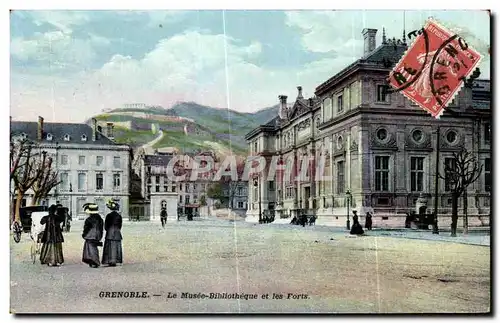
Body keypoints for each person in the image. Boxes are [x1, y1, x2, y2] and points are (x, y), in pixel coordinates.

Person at [82, 203, 104, 268]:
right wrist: (100, 235)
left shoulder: (89, 219)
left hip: (90, 235)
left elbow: (86, 228)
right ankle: (95, 261)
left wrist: (84, 234)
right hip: (97, 234)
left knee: (90, 248)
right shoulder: (100, 219)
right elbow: (101, 228)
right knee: (94, 248)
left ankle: (93, 261)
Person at [102, 199, 123, 267]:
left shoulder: (108, 215)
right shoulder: (119, 216)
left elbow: (106, 226)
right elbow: (120, 225)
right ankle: (116, 260)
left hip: (110, 232)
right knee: (116, 246)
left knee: (109, 247)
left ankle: (109, 260)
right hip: (117, 232)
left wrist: (108, 230)